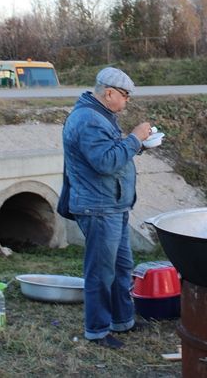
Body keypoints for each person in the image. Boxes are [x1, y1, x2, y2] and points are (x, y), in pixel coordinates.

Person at [61, 67, 151, 349]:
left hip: (113, 206)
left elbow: (113, 151)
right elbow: (105, 162)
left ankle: (123, 320)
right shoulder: (88, 120)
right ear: (109, 92)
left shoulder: (99, 115)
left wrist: (138, 145)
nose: (127, 101)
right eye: (125, 95)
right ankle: (97, 331)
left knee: (122, 266)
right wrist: (135, 138)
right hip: (98, 208)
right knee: (101, 272)